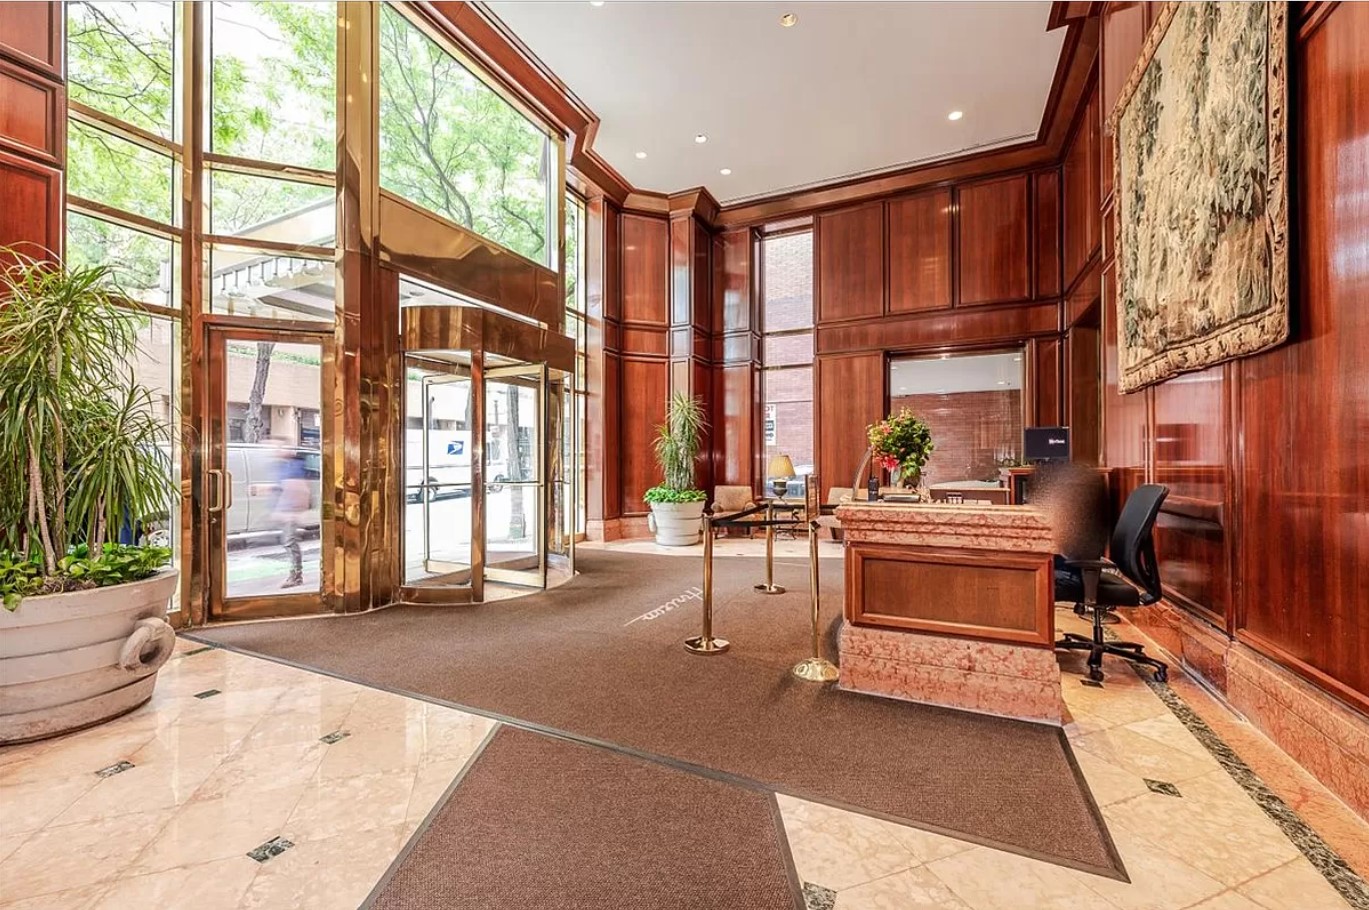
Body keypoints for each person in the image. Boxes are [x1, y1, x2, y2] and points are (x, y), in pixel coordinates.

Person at [267, 438, 311, 588]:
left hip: (289, 511)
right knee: (289, 543)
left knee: (290, 542)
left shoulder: (293, 466)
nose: (276, 451)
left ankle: (296, 576)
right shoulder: (284, 466)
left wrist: (289, 512)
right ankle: (295, 575)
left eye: (280, 447)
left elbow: (298, 490)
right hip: (287, 510)